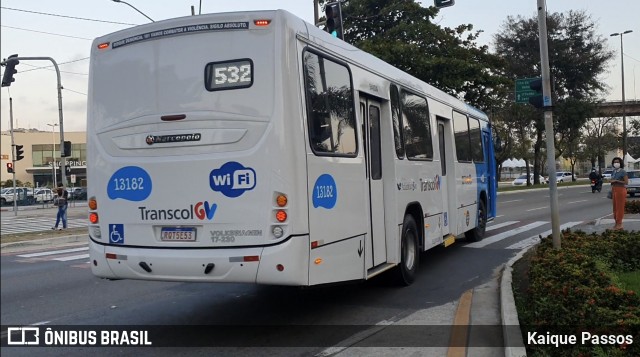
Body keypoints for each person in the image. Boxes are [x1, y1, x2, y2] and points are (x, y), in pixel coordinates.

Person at [609, 157, 628, 230]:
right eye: (615, 162)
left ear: (620, 163)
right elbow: (612, 179)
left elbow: (626, 182)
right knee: (615, 207)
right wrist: (611, 181)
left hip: (620, 189)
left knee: (620, 207)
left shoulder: (623, 172)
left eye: (617, 162)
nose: (616, 163)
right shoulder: (614, 171)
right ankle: (616, 223)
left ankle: (619, 223)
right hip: (614, 189)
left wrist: (616, 181)